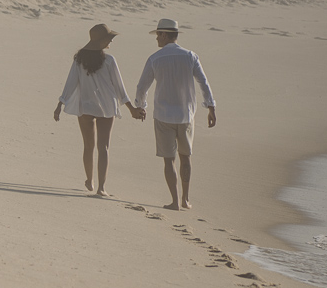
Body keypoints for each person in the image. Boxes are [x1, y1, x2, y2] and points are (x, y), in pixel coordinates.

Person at [132, 18, 217, 210]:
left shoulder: (155, 58)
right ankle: (186, 199)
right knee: (185, 157)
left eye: (157, 36)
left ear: (163, 34)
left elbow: (142, 86)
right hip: (186, 115)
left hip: (163, 115)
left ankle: (175, 201)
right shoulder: (190, 56)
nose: (156, 40)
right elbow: (203, 82)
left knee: (168, 159)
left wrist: (140, 106)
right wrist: (210, 106)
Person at [53, 23, 142, 197]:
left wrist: (60, 103)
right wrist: (131, 108)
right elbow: (119, 88)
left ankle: (89, 180)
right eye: (109, 39)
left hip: (86, 106)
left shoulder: (79, 61)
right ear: (101, 42)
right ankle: (101, 188)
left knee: (88, 146)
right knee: (104, 148)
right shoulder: (109, 60)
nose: (110, 42)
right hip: (107, 108)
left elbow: (70, 83)